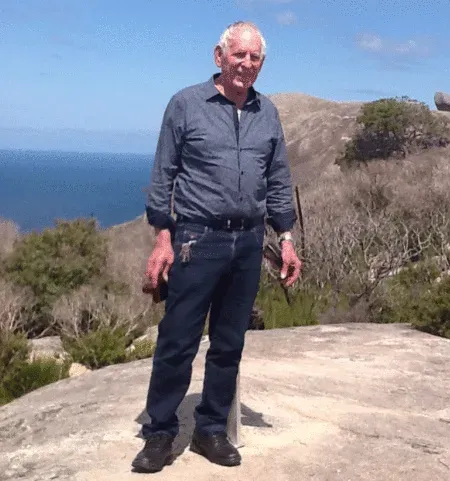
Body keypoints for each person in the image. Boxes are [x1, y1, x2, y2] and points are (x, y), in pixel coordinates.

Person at [132, 21, 302, 473]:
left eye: (254, 57)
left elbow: (278, 180)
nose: (246, 64)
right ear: (219, 56)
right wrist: (162, 237)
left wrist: (286, 239)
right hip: (196, 240)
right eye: (238, 54)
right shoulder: (186, 104)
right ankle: (159, 432)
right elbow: (163, 176)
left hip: (248, 243)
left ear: (261, 63)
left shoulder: (268, 113)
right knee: (178, 341)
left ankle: (210, 429)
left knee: (229, 343)